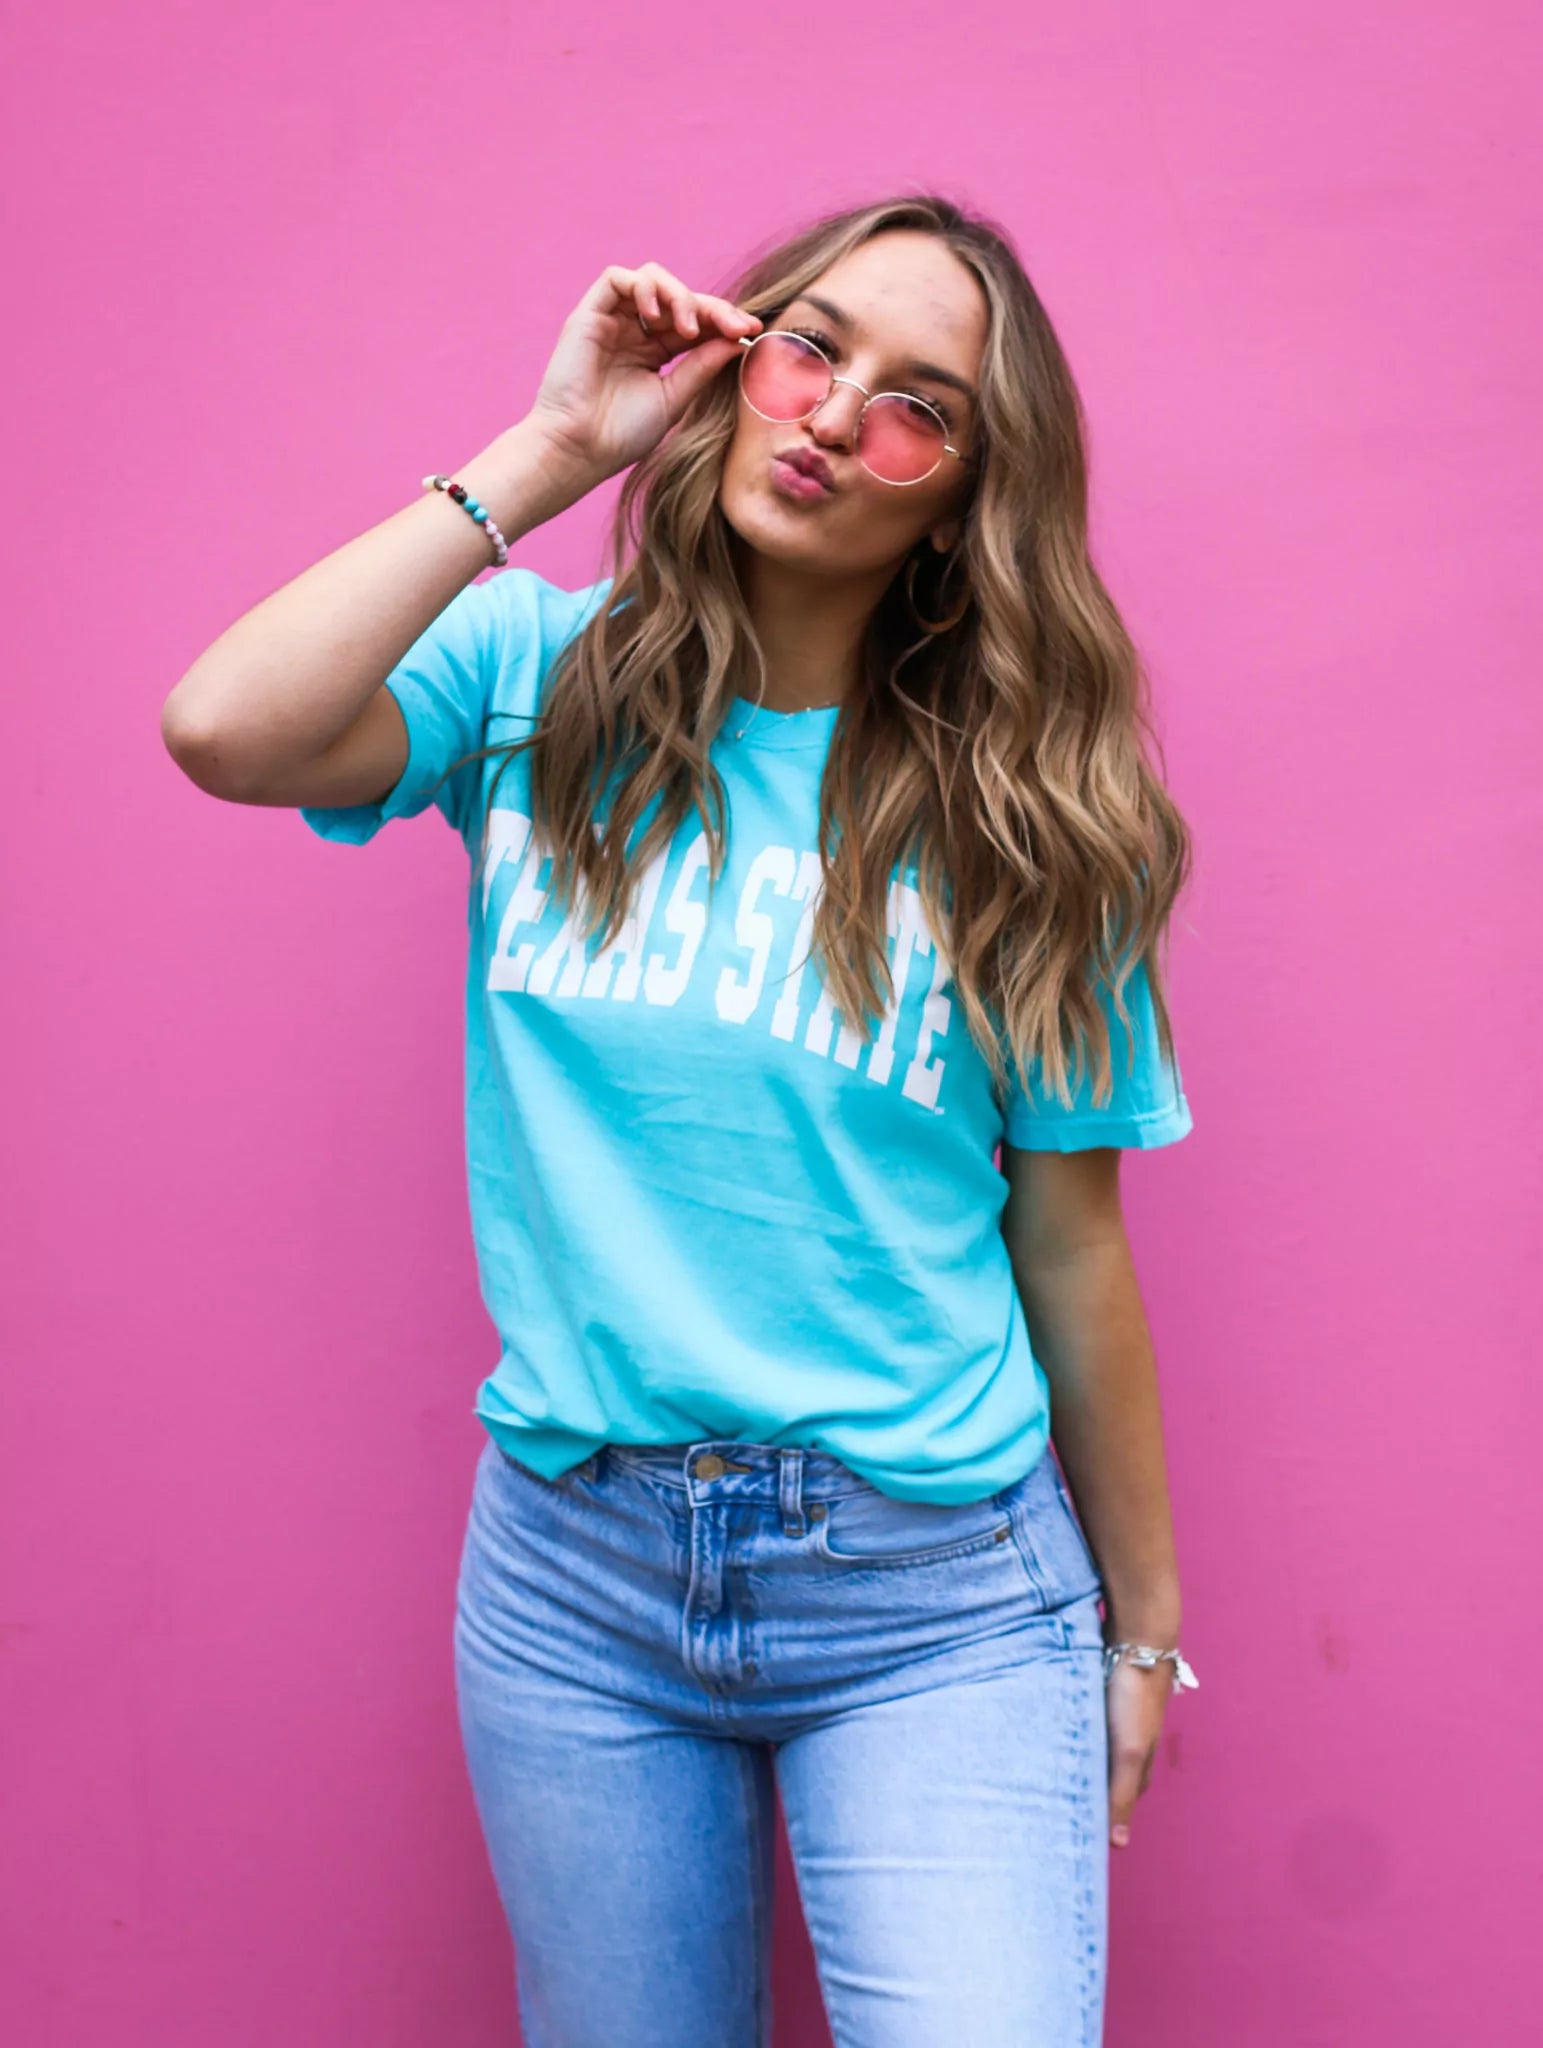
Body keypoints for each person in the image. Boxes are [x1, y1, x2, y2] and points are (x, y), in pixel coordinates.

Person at [162, 191, 1199, 2048]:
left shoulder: (1035, 816)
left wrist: (1140, 1627)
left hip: (934, 1592)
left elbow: (1068, 1238)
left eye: (915, 406)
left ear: (959, 495)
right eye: (808, 347)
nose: (829, 416)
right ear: (730, 359)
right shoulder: (527, 683)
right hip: (575, 1582)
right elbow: (227, 730)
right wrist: (552, 447)